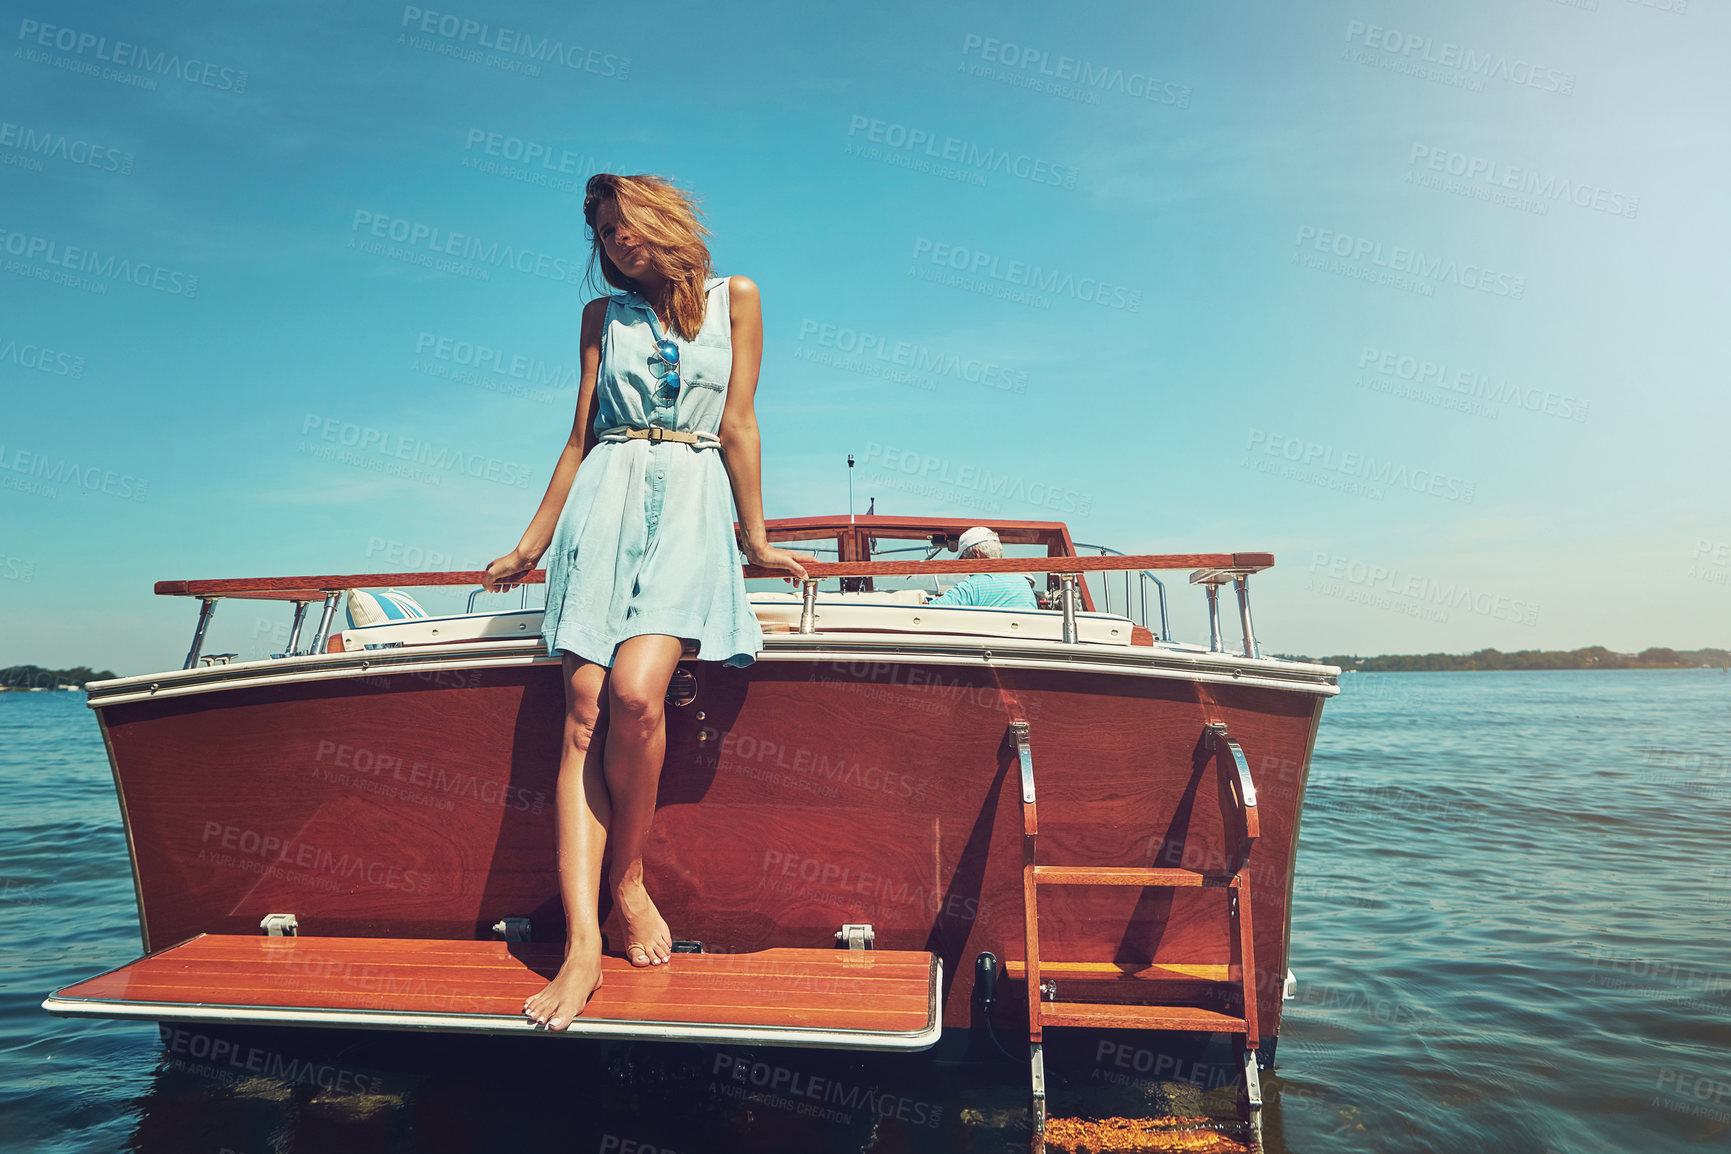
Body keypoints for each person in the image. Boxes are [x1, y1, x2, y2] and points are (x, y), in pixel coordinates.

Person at [482, 173, 815, 1031]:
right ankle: (582, 947)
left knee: (637, 695)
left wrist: (758, 539)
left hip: (694, 501)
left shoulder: (734, 298)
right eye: (600, 233)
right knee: (584, 710)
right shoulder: (600, 320)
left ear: (658, 217)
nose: (614, 242)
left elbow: (739, 423)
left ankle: (627, 877)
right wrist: (532, 543)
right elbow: (577, 436)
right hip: (605, 498)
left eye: (621, 222)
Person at [929, 526, 1038, 608]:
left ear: (975, 554)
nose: (965, 571)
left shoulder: (972, 586)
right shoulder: (1023, 583)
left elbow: (929, 611)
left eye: (963, 561)